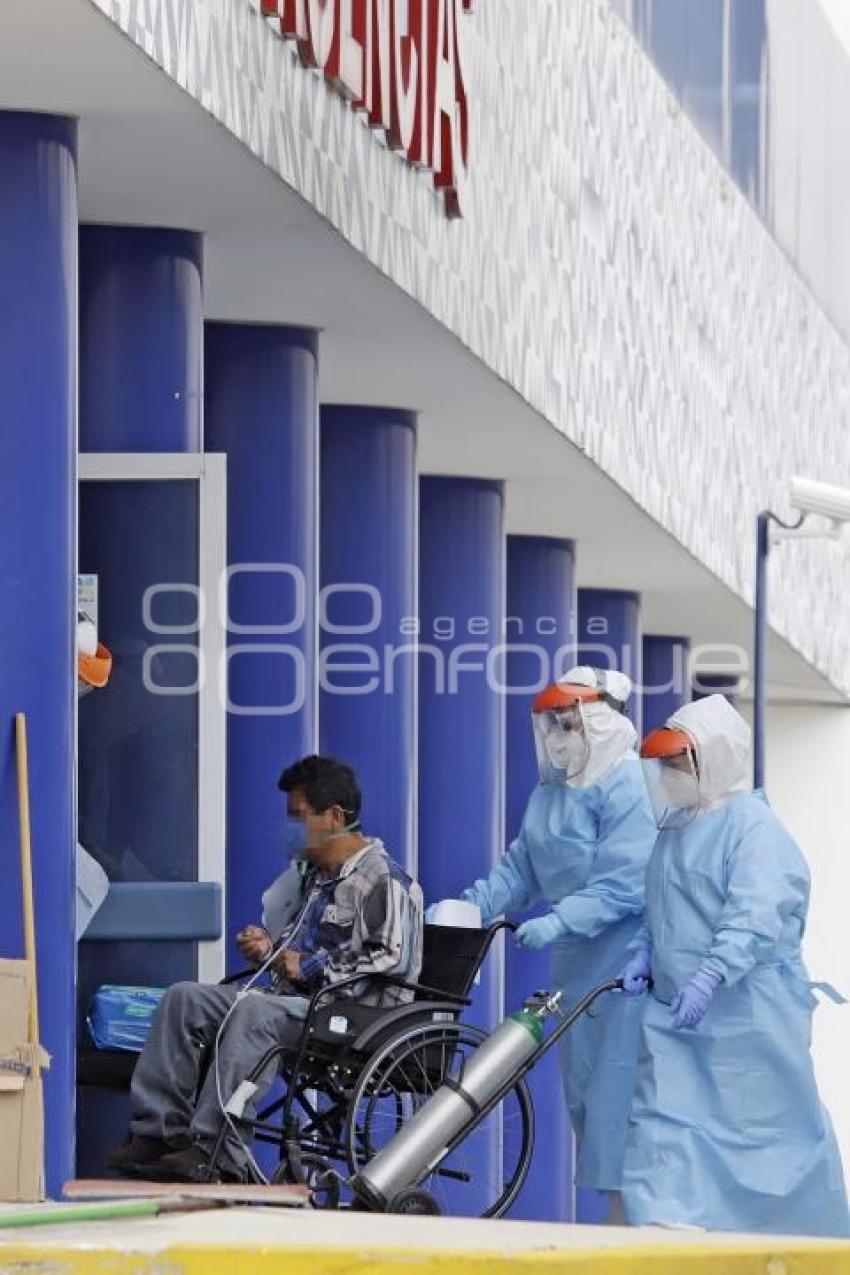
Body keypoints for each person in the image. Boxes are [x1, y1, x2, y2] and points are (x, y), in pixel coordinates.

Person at [107, 754, 424, 1182]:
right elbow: (295, 953)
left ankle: (217, 1150)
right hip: (299, 1006)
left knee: (254, 1015)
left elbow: (391, 956)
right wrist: (269, 950)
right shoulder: (316, 878)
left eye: (299, 816)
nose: (291, 828)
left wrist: (309, 967)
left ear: (334, 816)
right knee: (185, 999)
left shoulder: (385, 880)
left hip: (356, 1019)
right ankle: (160, 1132)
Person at [430, 666, 656, 1213]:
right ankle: (622, 1221)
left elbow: (626, 880)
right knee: (585, 1095)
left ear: (599, 721)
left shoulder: (630, 785)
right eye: (551, 724)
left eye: (568, 723)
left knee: (622, 1102)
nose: (557, 735)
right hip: (578, 969)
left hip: (623, 966)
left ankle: (643, 1223)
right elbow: (523, 867)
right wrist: (475, 903)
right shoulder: (550, 793)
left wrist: (561, 919)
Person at [620, 695, 849, 1236]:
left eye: (679, 763)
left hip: (747, 1021)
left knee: (767, 1142)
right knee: (662, 1124)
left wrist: (711, 973)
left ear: (714, 759)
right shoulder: (674, 829)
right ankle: (667, 1225)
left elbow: (757, 913)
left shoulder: (755, 831)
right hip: (676, 1015)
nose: (669, 776)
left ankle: (806, 1243)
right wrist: (645, 949)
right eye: (666, 765)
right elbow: (661, 901)